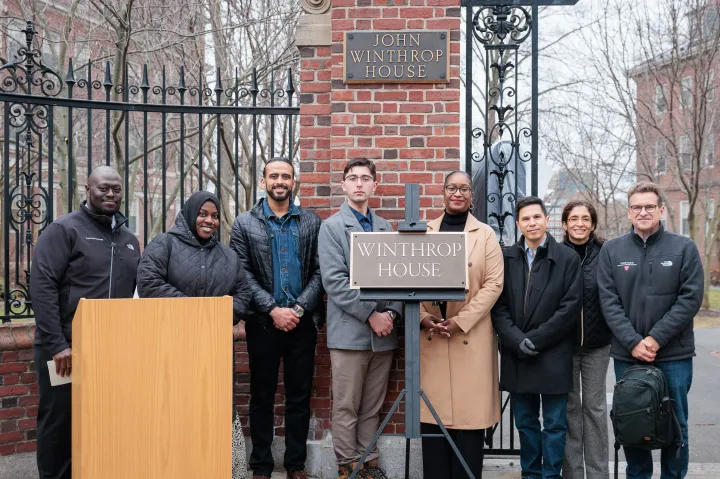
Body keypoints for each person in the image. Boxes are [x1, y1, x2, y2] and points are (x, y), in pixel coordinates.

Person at [30, 166, 141, 479]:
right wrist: (56, 344)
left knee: (102, 418)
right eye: (103, 188)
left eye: (115, 189)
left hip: (108, 350)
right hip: (65, 349)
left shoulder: (130, 240)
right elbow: (43, 286)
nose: (109, 194)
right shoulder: (64, 230)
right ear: (88, 189)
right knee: (59, 421)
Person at [136, 191, 252, 479]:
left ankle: (217, 469)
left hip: (212, 350)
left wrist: (220, 314)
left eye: (214, 216)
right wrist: (195, 311)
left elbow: (244, 293)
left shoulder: (228, 256)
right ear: (189, 214)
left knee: (212, 413)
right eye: (203, 214)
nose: (209, 220)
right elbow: (148, 281)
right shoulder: (164, 244)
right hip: (168, 347)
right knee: (171, 413)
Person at [598, 182, 703, 479]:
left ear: (660, 210)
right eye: (636, 207)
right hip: (628, 356)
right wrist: (633, 342)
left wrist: (655, 339)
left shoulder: (684, 248)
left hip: (674, 355)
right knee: (632, 422)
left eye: (649, 207)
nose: (643, 212)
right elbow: (608, 301)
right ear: (629, 212)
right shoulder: (612, 250)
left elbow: (690, 298)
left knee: (675, 424)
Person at [230, 157, 324, 479]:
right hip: (263, 324)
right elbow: (241, 273)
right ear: (263, 182)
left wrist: (298, 309)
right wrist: (272, 309)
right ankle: (261, 466)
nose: (280, 181)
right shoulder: (244, 223)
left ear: (294, 182)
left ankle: (295, 464)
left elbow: (319, 270)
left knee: (299, 396)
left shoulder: (311, 222)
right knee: (262, 396)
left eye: (286, 176)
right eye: (274, 176)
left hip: (302, 323)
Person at [318, 158, 403, 479]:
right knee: (346, 407)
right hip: (350, 334)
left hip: (383, 336)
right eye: (352, 178)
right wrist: (371, 315)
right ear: (343, 185)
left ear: (374, 185)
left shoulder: (384, 228)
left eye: (365, 178)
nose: (358, 183)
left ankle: (368, 464)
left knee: (371, 407)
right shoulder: (332, 227)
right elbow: (334, 282)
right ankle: (347, 467)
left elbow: (399, 276)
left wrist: (392, 313)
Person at [418, 171, 504, 478]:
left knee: (469, 430)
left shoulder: (486, 235)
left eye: (464, 189)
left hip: (471, 338)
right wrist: (423, 319)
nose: (458, 193)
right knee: (434, 426)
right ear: (442, 193)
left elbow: (494, 285)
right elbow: (403, 281)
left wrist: (460, 321)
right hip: (431, 339)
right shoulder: (422, 231)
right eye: (452, 188)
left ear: (472, 196)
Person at [491, 196, 582, 479]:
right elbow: (498, 305)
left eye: (536, 217)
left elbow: (570, 307)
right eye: (526, 219)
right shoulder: (505, 257)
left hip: (553, 352)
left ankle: (550, 474)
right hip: (517, 352)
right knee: (526, 423)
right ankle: (530, 473)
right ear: (518, 224)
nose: (532, 223)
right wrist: (516, 339)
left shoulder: (567, 257)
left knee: (554, 424)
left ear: (546, 220)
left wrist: (538, 339)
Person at [560, 200, 611, 479]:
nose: (579, 223)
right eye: (573, 218)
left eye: (585, 219)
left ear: (592, 224)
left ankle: (598, 473)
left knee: (594, 408)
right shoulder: (554, 253)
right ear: (565, 223)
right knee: (570, 410)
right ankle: (572, 474)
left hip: (597, 344)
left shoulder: (606, 252)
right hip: (563, 346)